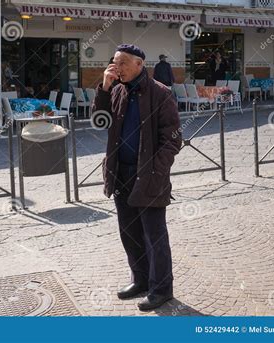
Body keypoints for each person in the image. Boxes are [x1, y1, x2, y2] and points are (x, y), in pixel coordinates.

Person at [93, 44, 182, 311]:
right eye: (114, 63)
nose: (116, 68)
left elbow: (174, 138)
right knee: (129, 232)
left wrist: (157, 169)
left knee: (154, 236)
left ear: (139, 65)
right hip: (121, 173)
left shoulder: (160, 93)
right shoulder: (118, 89)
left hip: (149, 175)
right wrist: (104, 89)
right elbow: (99, 120)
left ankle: (161, 289)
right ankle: (140, 280)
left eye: (121, 63)